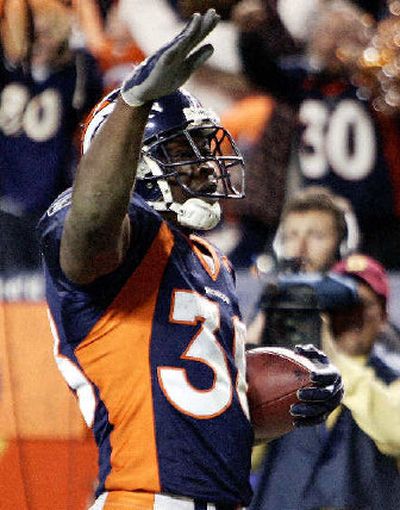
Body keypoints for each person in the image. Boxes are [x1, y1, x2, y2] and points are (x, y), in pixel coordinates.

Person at [38, 10, 343, 509]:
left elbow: (196, 406)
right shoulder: (108, 233)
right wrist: (133, 104)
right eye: (184, 151)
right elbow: (91, 230)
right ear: (134, 161)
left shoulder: (210, 262)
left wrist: (285, 394)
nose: (204, 168)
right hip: (145, 497)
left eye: (203, 150)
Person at [251, 254, 400, 509]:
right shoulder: (285, 380)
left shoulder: (392, 383)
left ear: (384, 315)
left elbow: (394, 432)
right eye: (342, 306)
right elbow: (243, 454)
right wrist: (257, 344)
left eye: (364, 305)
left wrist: (333, 361)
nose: (353, 316)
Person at [0, 0, 103, 273]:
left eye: (47, 33)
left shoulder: (77, 70)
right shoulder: (8, 72)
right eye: (32, 34)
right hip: (6, 205)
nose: (39, 42)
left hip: (52, 201)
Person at [247, 186, 360, 345]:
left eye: (317, 236)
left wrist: (280, 288)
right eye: (292, 236)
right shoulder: (274, 294)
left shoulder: (357, 289)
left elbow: (348, 290)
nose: (301, 247)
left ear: (342, 244)